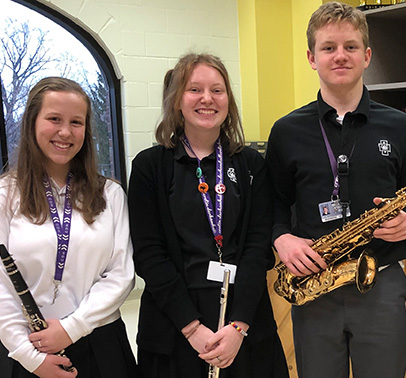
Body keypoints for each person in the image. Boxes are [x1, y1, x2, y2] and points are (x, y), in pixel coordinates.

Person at [265, 3, 406, 378]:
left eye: (351, 47)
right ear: (311, 57)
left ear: (367, 55)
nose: (340, 56)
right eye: (329, 47)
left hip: (382, 282)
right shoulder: (286, 131)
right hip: (314, 284)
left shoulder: (400, 126)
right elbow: (272, 203)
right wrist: (281, 238)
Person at [128, 53, 288, 378]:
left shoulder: (251, 166)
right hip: (174, 323)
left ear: (228, 99)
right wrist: (192, 329)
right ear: (177, 101)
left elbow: (258, 249)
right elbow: (149, 255)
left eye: (217, 90)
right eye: (194, 90)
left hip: (243, 322)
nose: (207, 99)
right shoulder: (149, 167)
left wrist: (238, 327)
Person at [0, 77, 137, 378]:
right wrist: (27, 355)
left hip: (100, 342)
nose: (65, 132)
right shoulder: (6, 195)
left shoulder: (110, 195)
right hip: (26, 348)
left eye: (76, 122)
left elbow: (121, 274)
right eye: (54, 119)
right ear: (32, 123)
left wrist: (72, 327)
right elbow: (1, 286)